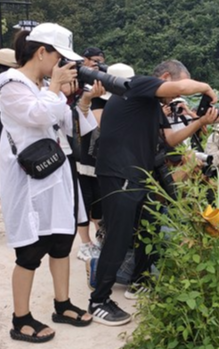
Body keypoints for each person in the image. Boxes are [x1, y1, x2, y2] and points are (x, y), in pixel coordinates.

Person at [90, 59, 219, 326]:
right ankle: (99, 301)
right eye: (174, 88)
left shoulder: (149, 103)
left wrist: (200, 122)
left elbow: (168, 140)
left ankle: (139, 281)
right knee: (119, 234)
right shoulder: (137, 85)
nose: (175, 97)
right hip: (120, 173)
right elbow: (183, 87)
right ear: (163, 77)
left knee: (148, 227)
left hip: (139, 175)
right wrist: (206, 87)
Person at [0, 22, 98, 343]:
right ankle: (21, 318)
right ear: (42, 52)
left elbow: (74, 128)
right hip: (29, 184)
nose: (64, 66)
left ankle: (62, 304)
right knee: (30, 251)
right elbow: (38, 117)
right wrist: (55, 88)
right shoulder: (9, 84)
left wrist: (83, 101)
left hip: (57, 179)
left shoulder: (44, 88)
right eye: (60, 58)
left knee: (60, 242)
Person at [74, 47, 108, 261]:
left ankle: (100, 238)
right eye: (94, 62)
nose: (97, 67)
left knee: (99, 202)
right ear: (84, 60)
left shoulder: (104, 91)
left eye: (101, 63)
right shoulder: (79, 85)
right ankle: (85, 243)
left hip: (101, 159)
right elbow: (90, 122)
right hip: (84, 155)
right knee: (84, 201)